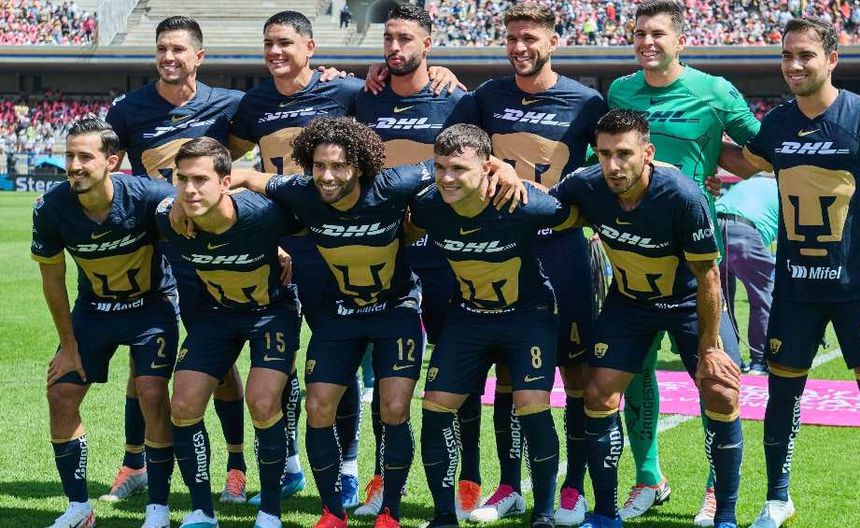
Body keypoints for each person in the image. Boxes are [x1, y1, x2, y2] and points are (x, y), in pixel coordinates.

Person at [229, 10, 464, 508]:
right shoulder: (254, 102)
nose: (276, 51)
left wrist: (437, 71)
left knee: (355, 363)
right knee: (289, 362)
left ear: (310, 47)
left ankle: (353, 468)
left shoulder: (347, 91)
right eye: (269, 42)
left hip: (358, 244)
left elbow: (406, 91)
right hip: (288, 243)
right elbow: (228, 162)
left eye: (286, 42)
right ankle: (290, 465)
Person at [605, 1, 761, 523]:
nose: (647, 42)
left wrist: (716, 166)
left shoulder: (715, 91)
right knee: (634, 375)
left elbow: (762, 150)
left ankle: (717, 489)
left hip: (696, 262)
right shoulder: (620, 91)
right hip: (632, 255)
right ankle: (649, 478)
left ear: (681, 40)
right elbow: (605, 156)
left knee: (716, 377)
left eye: (657, 33)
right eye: (639, 34)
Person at [552, 109, 744, 528]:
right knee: (597, 393)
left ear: (648, 153)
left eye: (624, 153)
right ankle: (605, 514)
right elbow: (547, 205)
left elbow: (708, 277)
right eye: (604, 154)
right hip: (630, 303)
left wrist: (709, 349)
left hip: (689, 301)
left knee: (721, 391)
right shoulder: (586, 184)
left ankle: (725, 515)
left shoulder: (682, 195)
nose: (613, 165)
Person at [458, 4, 606, 525]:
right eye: (512, 38)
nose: (520, 48)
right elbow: (458, 149)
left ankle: (573, 487)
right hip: (506, 254)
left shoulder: (587, 102)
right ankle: (508, 486)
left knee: (578, 371)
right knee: (508, 369)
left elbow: (607, 167)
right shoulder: (486, 97)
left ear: (553, 41)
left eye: (530, 38)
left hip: (562, 252)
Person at [104, 15, 250, 504]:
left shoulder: (229, 105)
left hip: (213, 252)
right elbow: (105, 165)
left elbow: (280, 120)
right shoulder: (128, 110)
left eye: (178, 49)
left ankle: (235, 466)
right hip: (154, 252)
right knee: (144, 361)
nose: (169, 57)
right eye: (162, 49)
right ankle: (134, 463)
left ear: (198, 56)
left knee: (219, 360)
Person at [352, 4, 481, 519]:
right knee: (389, 377)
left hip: (448, 257)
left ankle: (468, 478)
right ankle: (383, 478)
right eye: (389, 38)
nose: (394, 47)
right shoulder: (363, 98)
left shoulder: (458, 100)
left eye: (405, 38)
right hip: (386, 255)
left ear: (428, 43)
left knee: (458, 370)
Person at [413, 123, 576, 528]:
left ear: (486, 167)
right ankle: (444, 516)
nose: (447, 178)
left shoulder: (523, 202)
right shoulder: (428, 206)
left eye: (459, 169)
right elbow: (399, 227)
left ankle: (543, 513)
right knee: (435, 406)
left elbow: (576, 214)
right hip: (468, 317)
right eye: (440, 167)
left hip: (528, 318)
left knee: (532, 406)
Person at [742, 17, 860, 528]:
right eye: (787, 55)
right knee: (782, 393)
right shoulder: (777, 123)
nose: (794, 65)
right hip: (795, 286)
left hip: (855, 286)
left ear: (831, 58)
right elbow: (748, 163)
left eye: (805, 55)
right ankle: (778, 498)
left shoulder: (856, 115)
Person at [33, 117, 178, 528]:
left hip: (151, 307)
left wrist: (271, 247)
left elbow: (205, 209)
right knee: (61, 394)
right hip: (94, 310)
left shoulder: (150, 195)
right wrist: (68, 346)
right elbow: (53, 280)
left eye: (85, 156)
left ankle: (158, 509)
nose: (74, 165)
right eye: (69, 156)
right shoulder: (51, 207)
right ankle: (79, 508)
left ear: (112, 161)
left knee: (152, 393)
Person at [157, 138, 302, 528]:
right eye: (182, 179)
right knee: (183, 404)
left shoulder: (264, 214)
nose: (190, 189)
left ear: (225, 182)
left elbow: (314, 212)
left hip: (271, 313)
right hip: (216, 316)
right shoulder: (169, 216)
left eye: (200, 180)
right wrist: (174, 205)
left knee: (262, 401)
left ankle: (270, 511)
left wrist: (278, 248)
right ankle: (202, 511)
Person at [716, 176, 779, 375]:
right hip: (745, 232)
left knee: (719, 302)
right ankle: (759, 361)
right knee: (763, 298)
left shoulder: (748, 183)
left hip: (713, 229)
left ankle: (729, 358)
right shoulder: (784, 190)